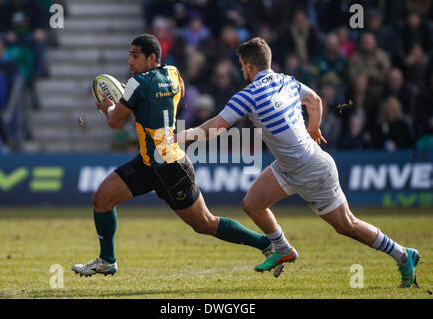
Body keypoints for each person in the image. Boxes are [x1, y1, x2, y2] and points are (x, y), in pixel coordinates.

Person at [177, 37, 420, 288]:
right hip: (288, 165)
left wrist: (176, 138)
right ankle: (283, 248)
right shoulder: (287, 80)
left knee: (347, 225)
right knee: (252, 204)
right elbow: (314, 100)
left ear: (249, 66)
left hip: (311, 168)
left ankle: (403, 254)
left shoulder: (248, 94)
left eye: (241, 65)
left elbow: (214, 128)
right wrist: (313, 128)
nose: (241, 70)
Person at [71, 34, 279, 277]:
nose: (130, 61)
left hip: (170, 167)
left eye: (135, 55)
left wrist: (108, 107)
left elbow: (115, 122)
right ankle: (107, 260)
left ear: (152, 58)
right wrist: (138, 104)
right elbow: (174, 103)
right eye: (129, 55)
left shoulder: (137, 83)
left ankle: (267, 244)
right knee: (102, 199)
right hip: (151, 161)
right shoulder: (173, 73)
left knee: (205, 223)